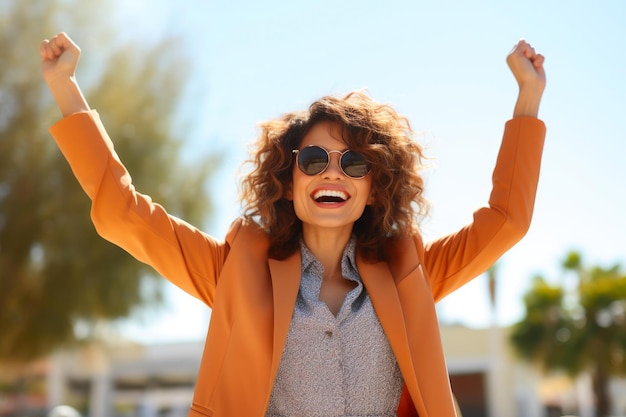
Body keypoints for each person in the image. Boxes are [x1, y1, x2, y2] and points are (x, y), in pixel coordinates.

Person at [39, 32, 546, 417]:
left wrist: (527, 98)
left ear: (374, 189)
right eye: (315, 159)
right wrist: (67, 90)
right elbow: (123, 214)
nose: (333, 171)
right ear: (286, 180)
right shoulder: (237, 270)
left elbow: (506, 220)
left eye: (354, 164)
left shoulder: (409, 270)